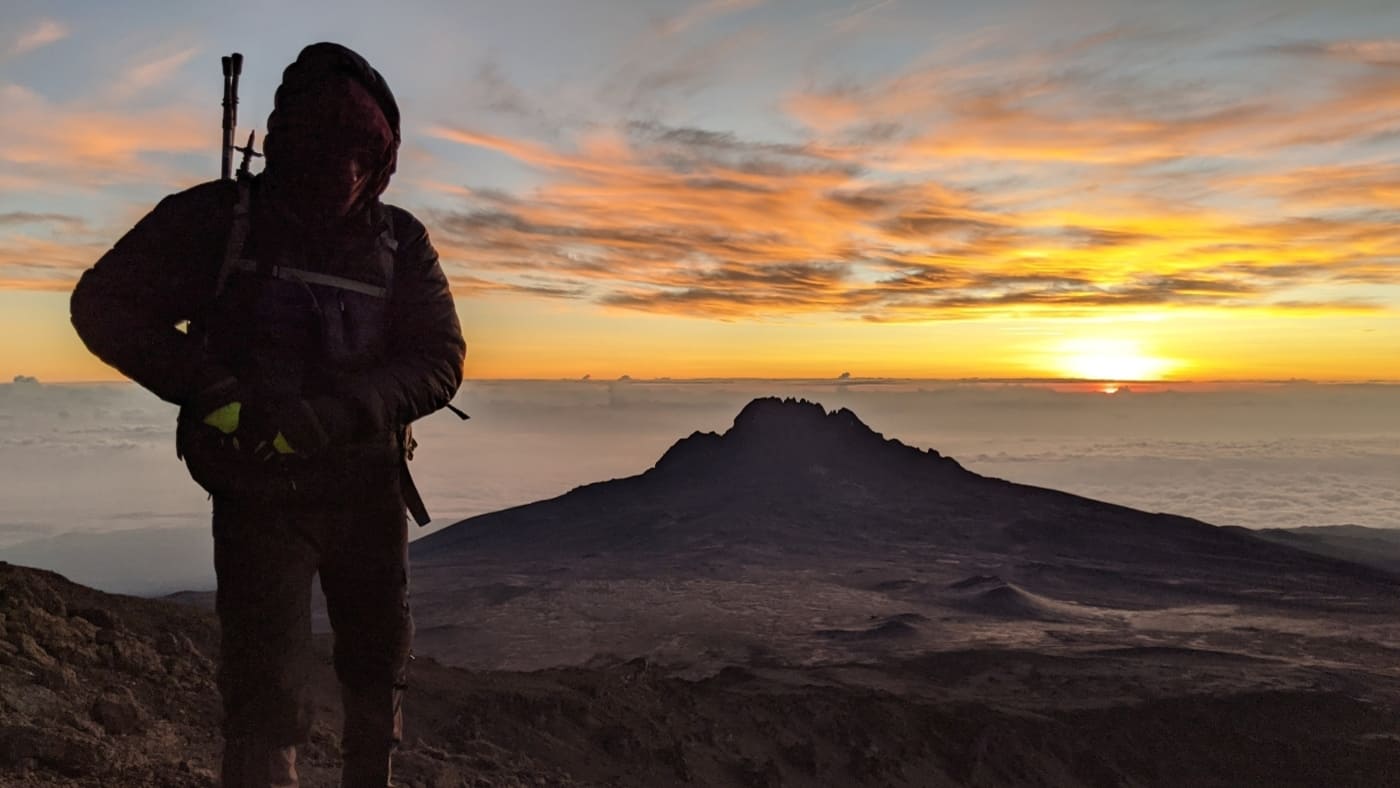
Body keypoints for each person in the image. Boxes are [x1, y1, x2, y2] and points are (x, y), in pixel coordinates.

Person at [69, 42, 465, 787]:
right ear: (288, 143)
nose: (344, 173)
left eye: (361, 154)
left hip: (365, 488)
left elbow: (440, 357)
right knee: (267, 685)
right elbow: (103, 305)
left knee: (376, 664)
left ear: (381, 158)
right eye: (326, 149)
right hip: (262, 495)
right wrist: (216, 392)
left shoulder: (397, 240)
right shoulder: (223, 222)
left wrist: (344, 411)